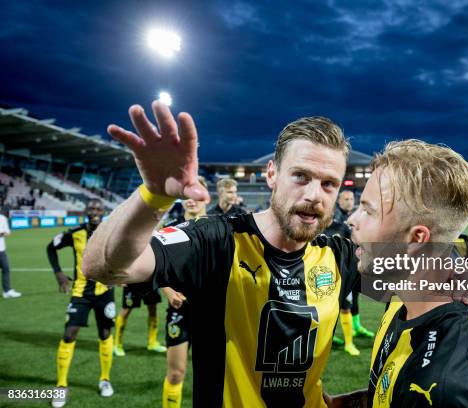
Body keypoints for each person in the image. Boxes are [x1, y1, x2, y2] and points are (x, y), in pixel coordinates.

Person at [83, 102, 360, 407]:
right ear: (272, 174)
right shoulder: (216, 240)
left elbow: (420, 278)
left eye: (329, 184)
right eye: (301, 176)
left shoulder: (340, 256)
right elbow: (102, 267)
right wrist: (153, 196)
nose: (313, 195)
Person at [327, 140, 468, 407]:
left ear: (416, 238)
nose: (353, 220)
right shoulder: (403, 294)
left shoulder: (446, 388)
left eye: (369, 211)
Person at [47, 199, 114, 407]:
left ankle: (104, 379)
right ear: (86, 211)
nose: (94, 212)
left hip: (105, 292)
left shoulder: (112, 232)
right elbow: (51, 247)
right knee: (69, 334)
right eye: (91, 208)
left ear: (103, 211)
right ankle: (61, 385)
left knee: (105, 334)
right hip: (80, 293)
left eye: (98, 209)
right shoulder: (75, 232)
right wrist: (58, 273)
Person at [161, 175, 210, 408]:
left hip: (211, 312)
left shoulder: (221, 229)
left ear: (206, 197)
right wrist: (169, 292)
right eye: (186, 196)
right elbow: (157, 269)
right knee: (176, 374)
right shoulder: (169, 231)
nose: (191, 200)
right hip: (180, 311)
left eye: (196, 194)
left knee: (212, 377)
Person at [326, 190, 373, 356]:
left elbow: (354, 245)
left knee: (346, 306)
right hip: (324, 276)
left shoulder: (342, 226)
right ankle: (328, 339)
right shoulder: (316, 229)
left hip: (344, 274)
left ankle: (349, 342)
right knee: (326, 311)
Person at [113, 283, 166, 356]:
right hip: (133, 282)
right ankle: (117, 344)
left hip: (150, 281)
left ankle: (152, 342)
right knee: (126, 309)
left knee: (153, 308)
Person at [0, 209, 19, 299]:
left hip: (1, 249)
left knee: (6, 269)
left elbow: (8, 232)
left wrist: (3, 233)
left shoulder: (3, 218)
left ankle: (7, 291)